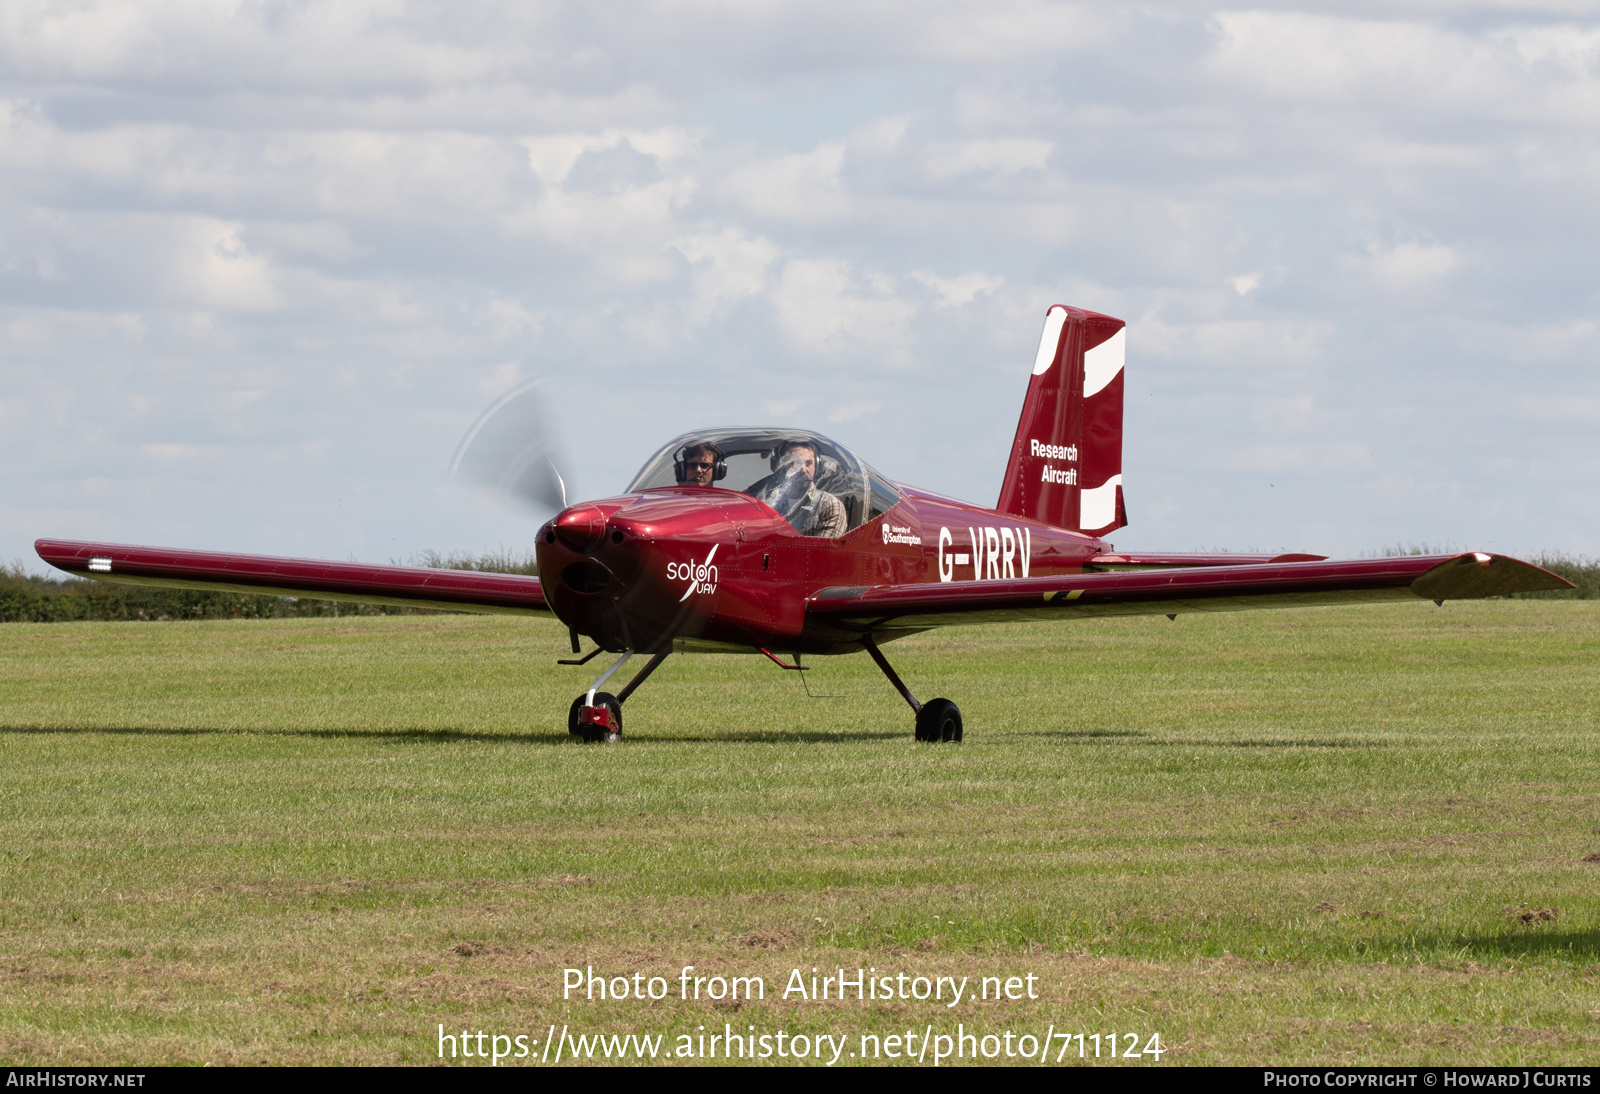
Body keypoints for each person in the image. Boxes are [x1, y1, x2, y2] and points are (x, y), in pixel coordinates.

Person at [747, 441, 847, 537]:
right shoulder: (765, 503)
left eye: (808, 463)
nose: (803, 469)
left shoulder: (829, 505)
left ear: (817, 466)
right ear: (783, 467)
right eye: (794, 463)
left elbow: (823, 552)